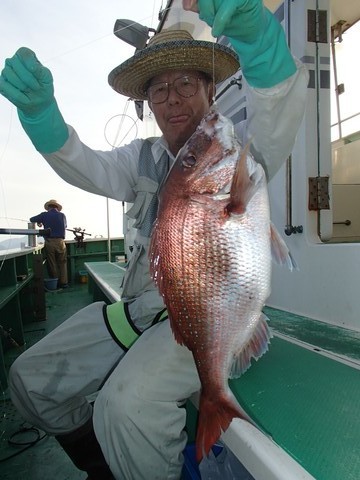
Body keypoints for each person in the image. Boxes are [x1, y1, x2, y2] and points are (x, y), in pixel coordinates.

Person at [0, 1, 308, 479]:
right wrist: (44, 118)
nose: (173, 98)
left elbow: (278, 107)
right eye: (159, 88)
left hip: (210, 315)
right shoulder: (138, 159)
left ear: (211, 88)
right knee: (28, 380)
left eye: (187, 82)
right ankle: (111, 466)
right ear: (148, 103)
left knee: (125, 407)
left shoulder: (240, 150)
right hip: (140, 310)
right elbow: (83, 162)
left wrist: (257, 38)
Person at [30, 199, 68, 288]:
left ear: (48, 207)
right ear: (57, 207)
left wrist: (40, 221)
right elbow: (65, 226)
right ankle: (64, 283)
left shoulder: (44, 215)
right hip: (61, 242)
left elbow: (31, 219)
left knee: (52, 263)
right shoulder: (62, 215)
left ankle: (55, 282)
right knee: (63, 263)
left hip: (50, 242)